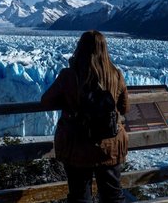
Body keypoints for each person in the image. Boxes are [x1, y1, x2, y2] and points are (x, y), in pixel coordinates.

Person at [41, 30, 130, 203]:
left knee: (80, 196)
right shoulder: (115, 74)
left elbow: (46, 101)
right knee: (113, 195)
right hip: (109, 144)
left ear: (79, 48)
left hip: (77, 144)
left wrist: (67, 100)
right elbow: (124, 107)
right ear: (104, 49)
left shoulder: (69, 75)